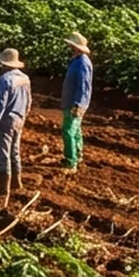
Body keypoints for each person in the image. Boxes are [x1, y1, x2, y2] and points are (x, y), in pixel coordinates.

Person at [0, 47, 31, 203]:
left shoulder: (5, 79)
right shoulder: (25, 79)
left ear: (4, 64)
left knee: (3, 153)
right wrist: (24, 115)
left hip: (6, 120)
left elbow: (1, 103)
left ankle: (3, 187)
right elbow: (29, 100)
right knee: (15, 150)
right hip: (20, 118)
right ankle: (16, 182)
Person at [59, 31, 93, 172]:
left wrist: (78, 104)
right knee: (76, 130)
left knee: (68, 131)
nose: (70, 48)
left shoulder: (82, 63)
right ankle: (78, 155)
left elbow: (84, 86)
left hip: (75, 103)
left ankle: (70, 161)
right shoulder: (77, 60)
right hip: (71, 101)